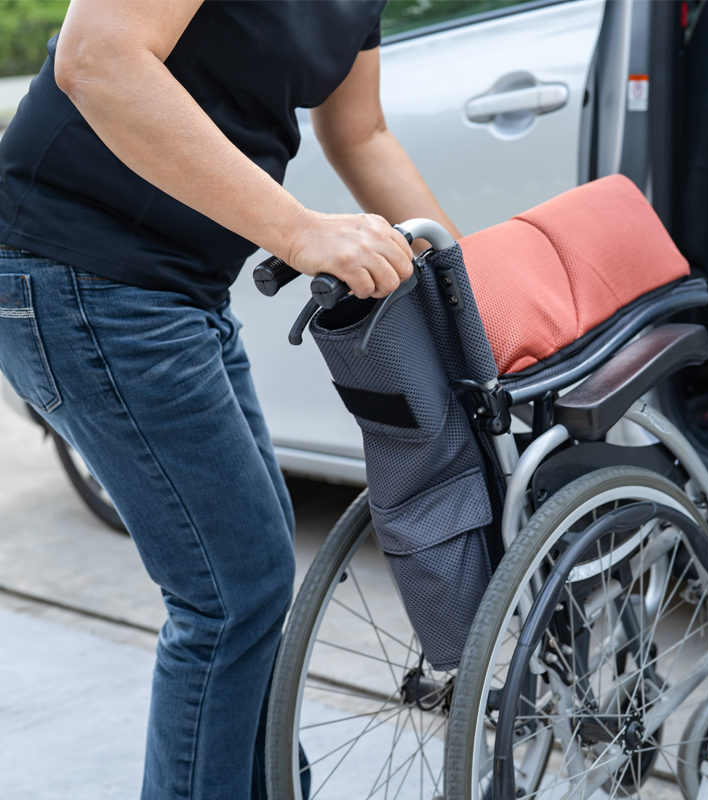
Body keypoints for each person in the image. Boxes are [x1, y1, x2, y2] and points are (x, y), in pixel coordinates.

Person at [0, 1, 461, 798]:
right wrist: (298, 231)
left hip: (178, 287)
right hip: (80, 268)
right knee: (230, 594)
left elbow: (361, 134)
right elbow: (98, 56)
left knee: (251, 572)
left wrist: (469, 297)